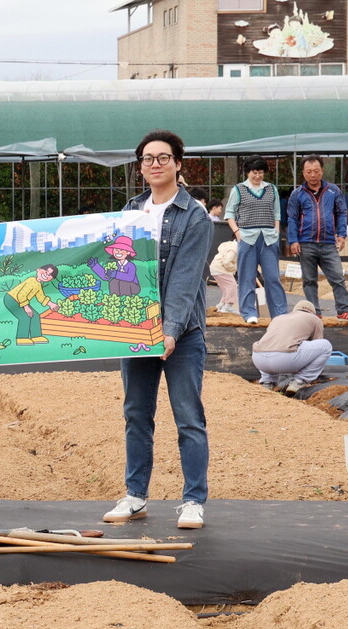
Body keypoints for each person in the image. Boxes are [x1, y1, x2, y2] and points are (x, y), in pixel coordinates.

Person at [102, 129, 212, 531]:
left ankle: (193, 500)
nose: (155, 164)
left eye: (163, 157)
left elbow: (186, 278)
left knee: (188, 417)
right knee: (136, 414)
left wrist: (171, 331)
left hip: (182, 333)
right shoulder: (131, 211)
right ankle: (135, 496)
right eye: (148, 158)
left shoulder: (195, 216)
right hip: (137, 331)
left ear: (178, 164)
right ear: (140, 167)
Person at [287, 155, 348, 320]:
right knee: (309, 280)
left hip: (329, 243)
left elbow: (341, 212)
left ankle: (344, 310)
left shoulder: (333, 190)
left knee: (337, 278)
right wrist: (293, 240)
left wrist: (341, 235)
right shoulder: (297, 194)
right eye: (309, 171)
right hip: (306, 243)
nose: (313, 175)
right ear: (303, 173)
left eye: (316, 171)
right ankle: (314, 312)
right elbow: (292, 218)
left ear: (322, 171)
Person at [226, 155, 287, 325]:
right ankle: (248, 312)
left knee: (273, 277)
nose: (258, 176)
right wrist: (238, 233)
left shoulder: (271, 189)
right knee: (247, 277)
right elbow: (229, 214)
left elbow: (276, 213)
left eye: (261, 172)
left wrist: (276, 231)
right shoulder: (238, 189)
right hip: (247, 237)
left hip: (269, 238)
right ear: (247, 172)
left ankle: (280, 313)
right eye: (254, 172)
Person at [252, 300, 331, 396]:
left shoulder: (278, 318)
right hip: (285, 360)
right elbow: (316, 342)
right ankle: (299, 381)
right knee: (326, 346)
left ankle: (267, 382)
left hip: (259, 360)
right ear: (312, 312)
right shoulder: (314, 319)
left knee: (268, 344)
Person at [5, 264, 59, 345]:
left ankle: (36, 336)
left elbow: (41, 297)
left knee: (35, 316)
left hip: (21, 301)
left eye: (49, 275)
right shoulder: (31, 281)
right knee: (25, 317)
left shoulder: (38, 284)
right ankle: (21, 338)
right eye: (46, 271)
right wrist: (26, 307)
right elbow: (21, 294)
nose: (46, 275)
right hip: (11, 299)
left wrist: (51, 304)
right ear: (38, 269)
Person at [209, 238, 238, 314]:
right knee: (232, 286)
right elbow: (227, 262)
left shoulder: (229, 245)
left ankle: (221, 305)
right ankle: (228, 306)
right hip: (221, 269)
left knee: (226, 288)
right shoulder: (234, 249)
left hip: (215, 268)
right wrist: (235, 268)